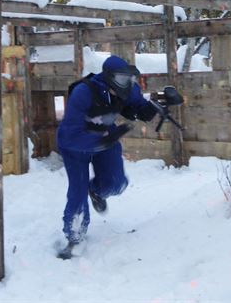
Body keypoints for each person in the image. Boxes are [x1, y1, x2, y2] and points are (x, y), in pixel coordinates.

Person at [56, 55, 158, 258]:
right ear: (109, 77)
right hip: (75, 144)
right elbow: (68, 134)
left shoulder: (127, 87)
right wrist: (99, 142)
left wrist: (154, 107)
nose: (126, 83)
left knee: (116, 182)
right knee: (77, 190)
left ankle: (96, 191)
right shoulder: (83, 92)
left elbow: (138, 105)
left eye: (128, 79)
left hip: (106, 136)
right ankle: (74, 237)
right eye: (121, 79)